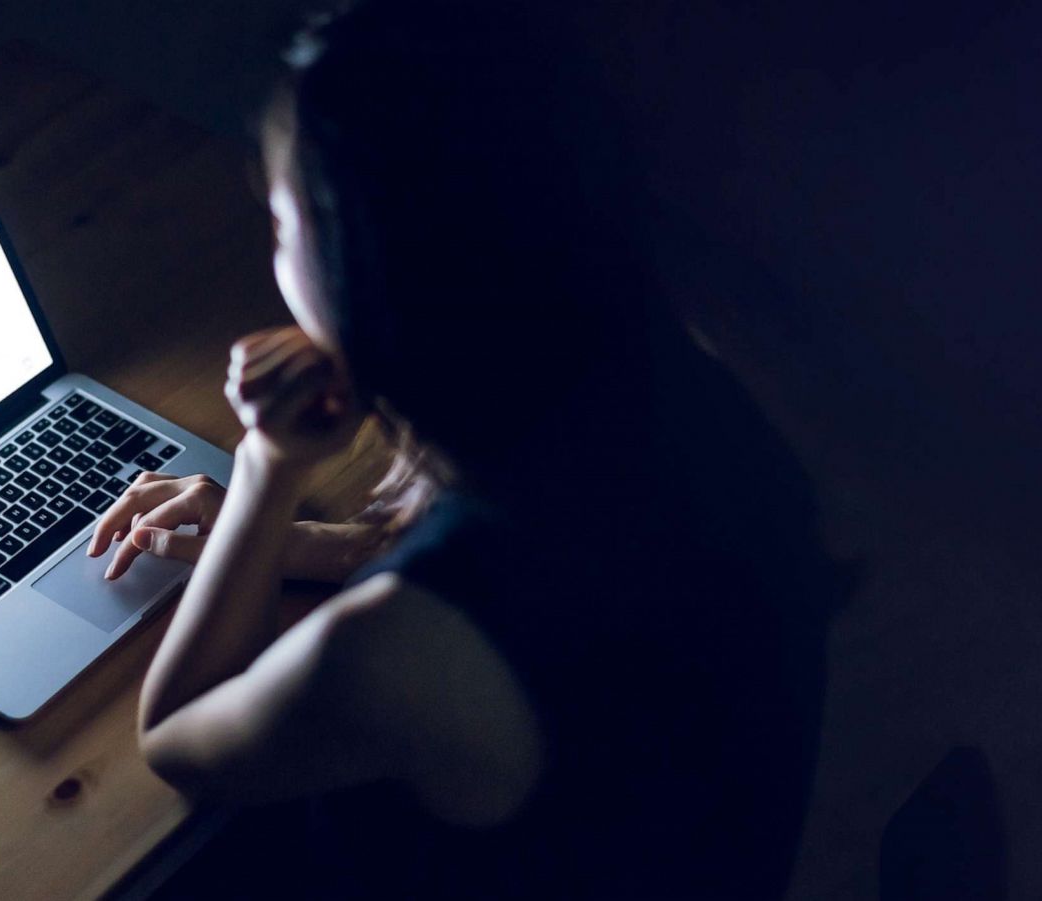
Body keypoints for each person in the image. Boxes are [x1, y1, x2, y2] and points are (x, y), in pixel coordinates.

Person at [89, 1, 848, 897]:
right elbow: (556, 560)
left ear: (362, 269)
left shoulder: (394, 653)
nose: (275, 249)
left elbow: (179, 739)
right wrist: (310, 546)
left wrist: (265, 467)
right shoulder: (687, 382)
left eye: (285, 223)